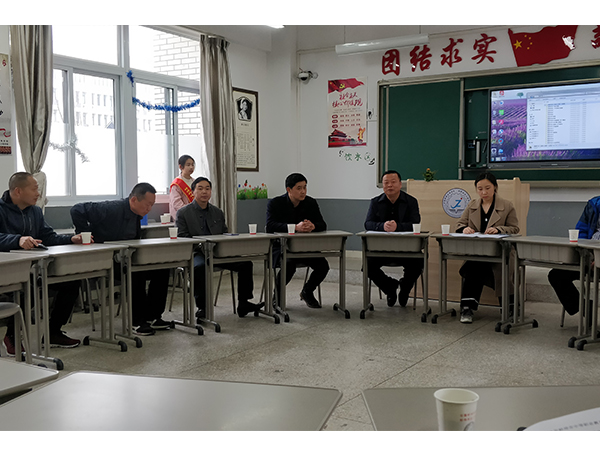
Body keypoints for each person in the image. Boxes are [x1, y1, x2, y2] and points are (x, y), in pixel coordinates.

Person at [70, 182, 170, 336]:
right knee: (134, 271)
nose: (149, 209)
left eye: (152, 205)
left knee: (161, 268)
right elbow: (76, 209)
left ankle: (153, 316)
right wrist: (85, 235)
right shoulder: (110, 208)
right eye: (147, 205)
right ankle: (137, 321)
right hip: (106, 260)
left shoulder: (136, 215)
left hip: (124, 258)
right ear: (134, 200)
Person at [0, 172, 84, 353]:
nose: (38, 193)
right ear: (18, 191)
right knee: (27, 289)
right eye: (34, 189)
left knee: (71, 282)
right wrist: (17, 240)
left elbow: (48, 237)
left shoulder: (35, 211)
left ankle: (53, 332)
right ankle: (12, 336)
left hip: (33, 269)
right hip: (7, 271)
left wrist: (71, 239)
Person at [176, 176, 263, 319]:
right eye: (200, 188)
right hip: (196, 252)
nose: (204, 192)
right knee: (199, 267)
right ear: (192, 192)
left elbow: (224, 233)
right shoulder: (183, 213)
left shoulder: (217, 212)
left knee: (246, 264)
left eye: (207, 188)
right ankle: (203, 307)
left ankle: (244, 303)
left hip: (218, 251)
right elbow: (182, 237)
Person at [455, 172, 519, 323]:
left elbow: (514, 228)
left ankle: (510, 308)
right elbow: (459, 224)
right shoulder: (472, 205)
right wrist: (464, 229)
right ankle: (467, 308)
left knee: (502, 271)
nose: (484, 192)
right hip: (478, 251)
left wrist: (499, 229)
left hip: (500, 252)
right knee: (471, 267)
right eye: (480, 189)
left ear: (495, 187)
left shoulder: (507, 205)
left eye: (487, 188)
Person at [266, 173, 329, 309]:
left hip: (304, 247)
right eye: (299, 188)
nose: (303, 191)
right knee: (288, 264)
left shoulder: (310, 203)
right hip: (281, 247)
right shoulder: (276, 203)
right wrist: (295, 227)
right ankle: (277, 296)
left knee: (323, 265)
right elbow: (270, 226)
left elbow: (323, 224)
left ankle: (307, 291)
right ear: (289, 190)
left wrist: (313, 226)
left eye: (305, 187)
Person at [364, 170, 423, 307]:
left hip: (406, 249)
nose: (389, 185)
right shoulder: (375, 202)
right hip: (381, 249)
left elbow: (415, 223)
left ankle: (405, 288)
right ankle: (390, 287)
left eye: (393, 182)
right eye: (386, 182)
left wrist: (398, 227)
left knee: (418, 262)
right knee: (367, 265)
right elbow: (367, 224)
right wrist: (382, 226)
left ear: (400, 184)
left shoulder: (411, 201)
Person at [548, 196, 600, 319]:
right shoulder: (593, 204)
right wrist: (584, 255)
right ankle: (585, 308)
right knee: (556, 275)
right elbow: (581, 231)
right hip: (588, 257)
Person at [169, 155, 195, 221]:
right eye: (188, 165)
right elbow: (176, 203)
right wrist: (189, 212)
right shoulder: (176, 184)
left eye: (192, 165)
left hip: (196, 216)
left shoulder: (195, 182)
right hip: (182, 217)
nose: (191, 167)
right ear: (180, 167)